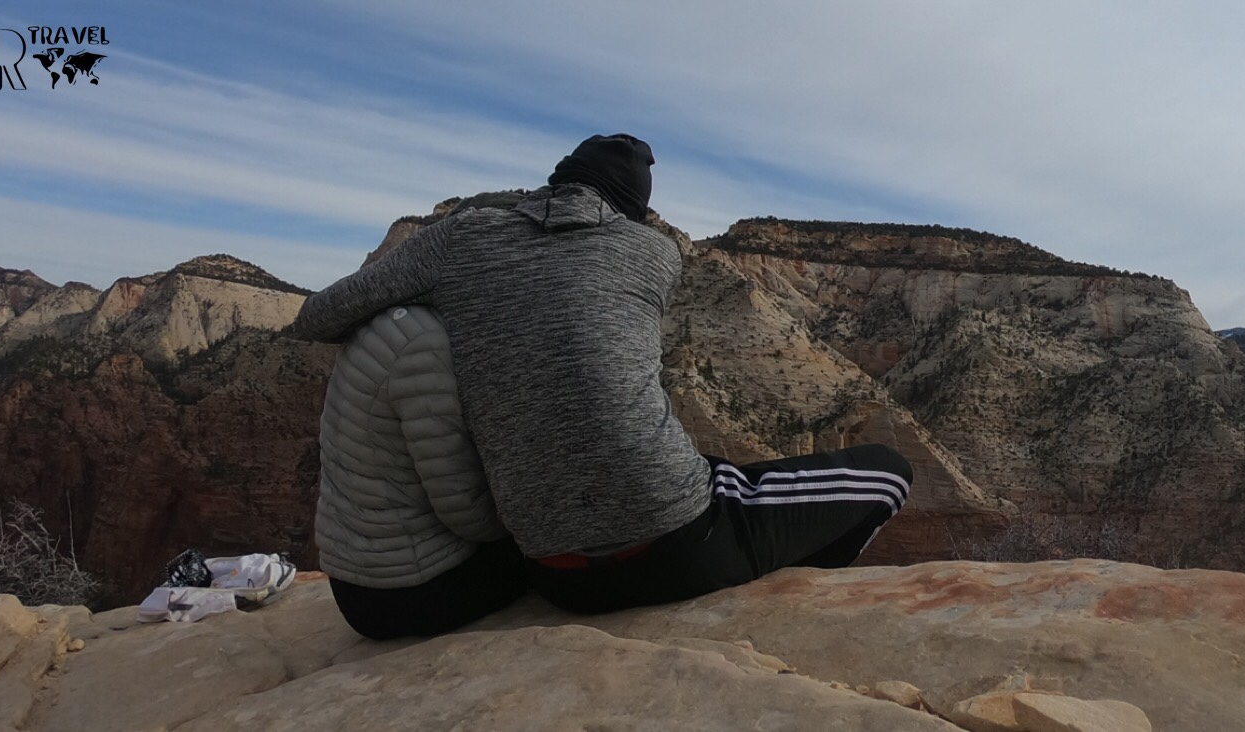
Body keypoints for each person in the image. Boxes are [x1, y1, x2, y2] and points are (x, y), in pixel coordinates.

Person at [291, 133, 913, 615]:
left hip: (557, 577)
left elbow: (318, 317)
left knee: (709, 469)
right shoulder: (653, 251)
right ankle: (789, 604)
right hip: (677, 546)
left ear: (556, 179)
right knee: (888, 472)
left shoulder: (459, 239)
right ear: (635, 209)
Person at [311, 303, 527, 640]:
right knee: (564, 561)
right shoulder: (424, 345)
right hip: (407, 592)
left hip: (361, 580)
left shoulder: (388, 321)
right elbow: (463, 508)